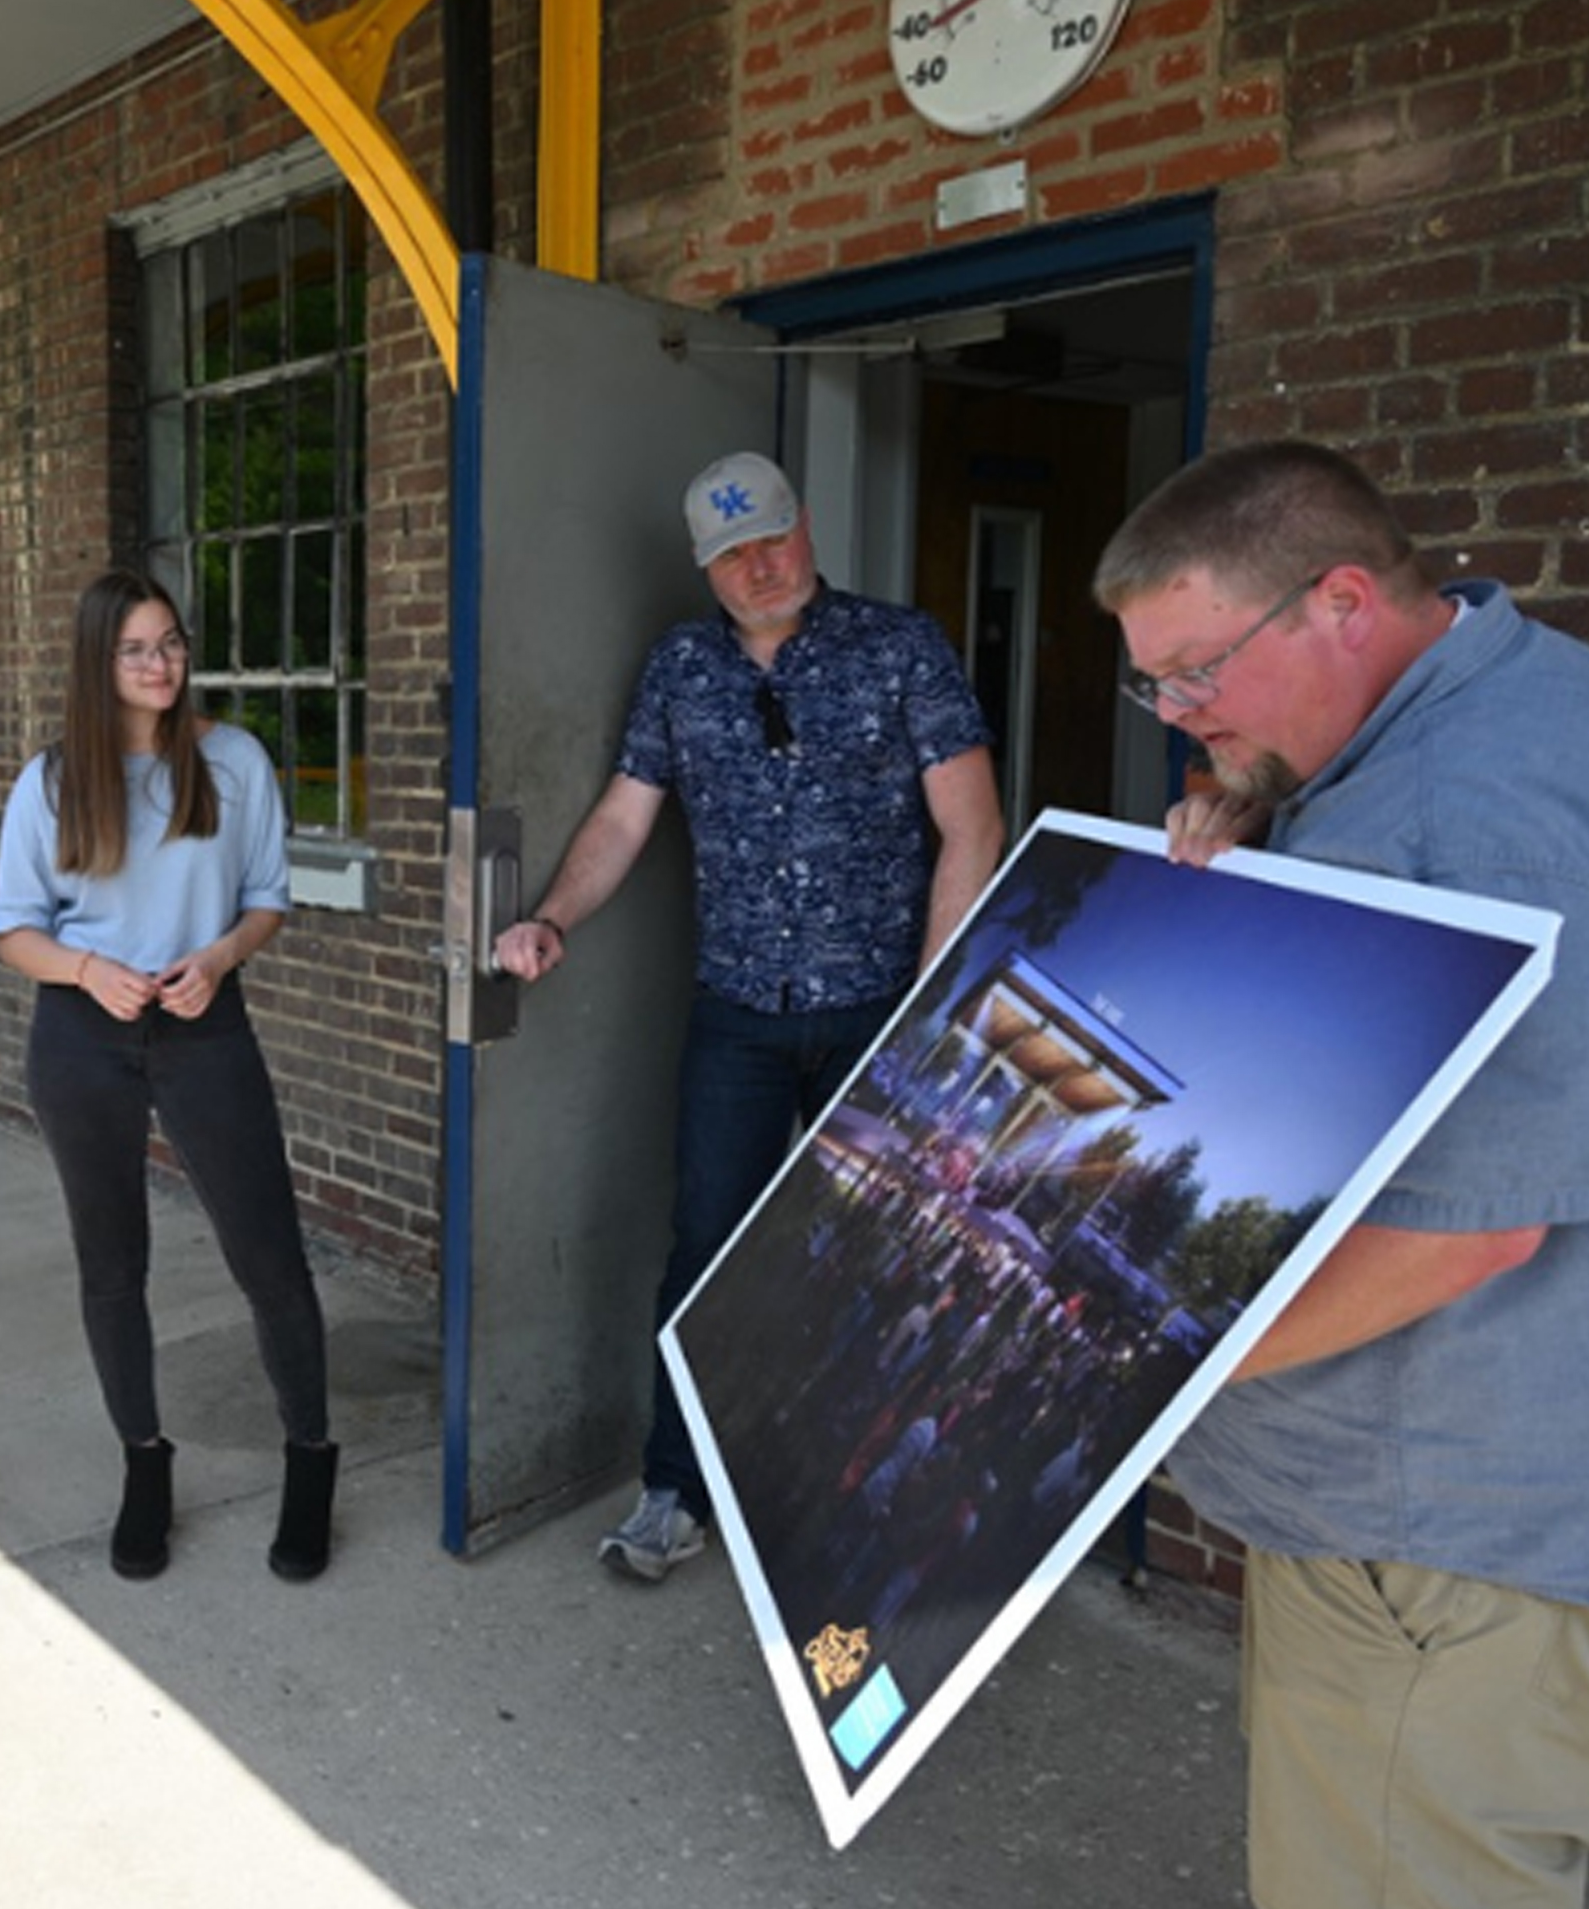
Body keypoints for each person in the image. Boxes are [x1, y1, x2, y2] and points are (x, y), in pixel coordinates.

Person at [1094, 438, 1589, 1909]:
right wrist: (1269, 823)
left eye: (1197, 673)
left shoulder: (1446, 830)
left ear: (1343, 601)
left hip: (1433, 1555)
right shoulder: (1528, 700)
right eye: (1153, 686)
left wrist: (1137, 1361)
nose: (1177, 717)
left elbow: (1470, 1235)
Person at [492, 451, 1002, 1582]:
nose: (758, 564)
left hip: (875, 1005)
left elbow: (970, 828)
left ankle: (852, 1501)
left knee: (872, 1255)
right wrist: (551, 918)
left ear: (805, 527)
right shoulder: (680, 666)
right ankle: (673, 1487)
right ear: (703, 564)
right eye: (731, 552)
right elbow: (624, 818)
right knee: (705, 1249)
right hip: (737, 1013)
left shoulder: (899, 645)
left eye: (771, 536)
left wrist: (930, 1010)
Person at [0, 570, 337, 1582]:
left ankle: (310, 1458)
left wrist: (220, 957)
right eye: (136, 648)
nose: (159, 663)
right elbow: (14, 930)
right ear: (98, 663)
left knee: (267, 1253)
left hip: (203, 1023)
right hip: (81, 1035)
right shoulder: (51, 780)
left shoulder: (231, 762)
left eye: (171, 643)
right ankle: (144, 1462)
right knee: (111, 1266)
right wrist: (88, 966)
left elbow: (268, 898)